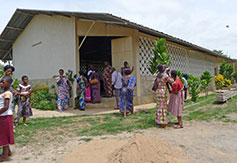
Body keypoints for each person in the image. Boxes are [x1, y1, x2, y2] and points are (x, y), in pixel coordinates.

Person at [0, 76, 14, 162]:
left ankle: (5, 156)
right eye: (0, 82)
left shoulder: (7, 93)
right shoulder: (3, 92)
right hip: (2, 116)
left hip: (5, 116)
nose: (1, 83)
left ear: (9, 83)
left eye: (3, 82)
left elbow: (5, 107)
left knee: (4, 135)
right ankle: (8, 152)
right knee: (4, 134)